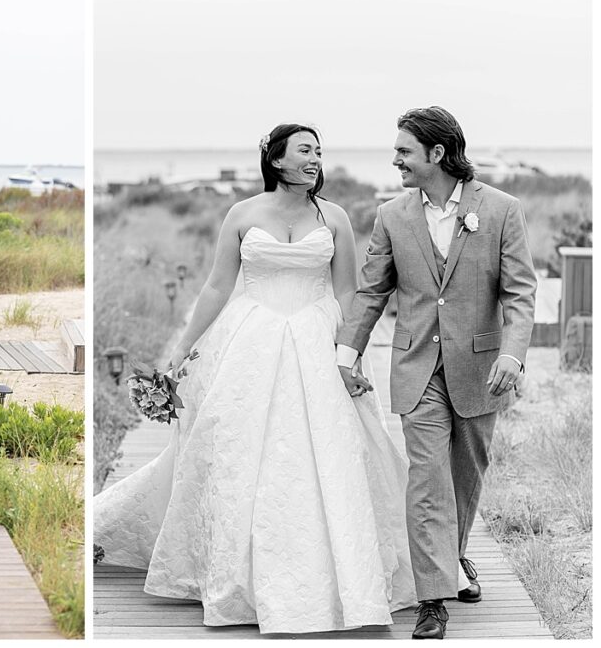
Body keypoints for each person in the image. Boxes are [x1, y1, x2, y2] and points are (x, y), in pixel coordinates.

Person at [94, 124, 436, 634]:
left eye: (319, 151)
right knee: (232, 449)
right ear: (276, 160)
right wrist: (181, 351)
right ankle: (234, 578)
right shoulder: (242, 215)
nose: (315, 158)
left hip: (317, 338)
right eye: (304, 150)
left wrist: (351, 356)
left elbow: (348, 295)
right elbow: (215, 286)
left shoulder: (335, 217)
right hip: (249, 336)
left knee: (329, 452)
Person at [336, 106, 536, 639]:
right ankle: (432, 600)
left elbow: (519, 292)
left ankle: (454, 557)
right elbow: (372, 290)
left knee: (464, 478)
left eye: (404, 150)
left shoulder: (501, 209)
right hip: (416, 365)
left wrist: (512, 355)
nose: (395, 159)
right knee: (426, 481)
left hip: (482, 367)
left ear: (437, 153)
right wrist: (346, 352)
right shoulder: (391, 215)